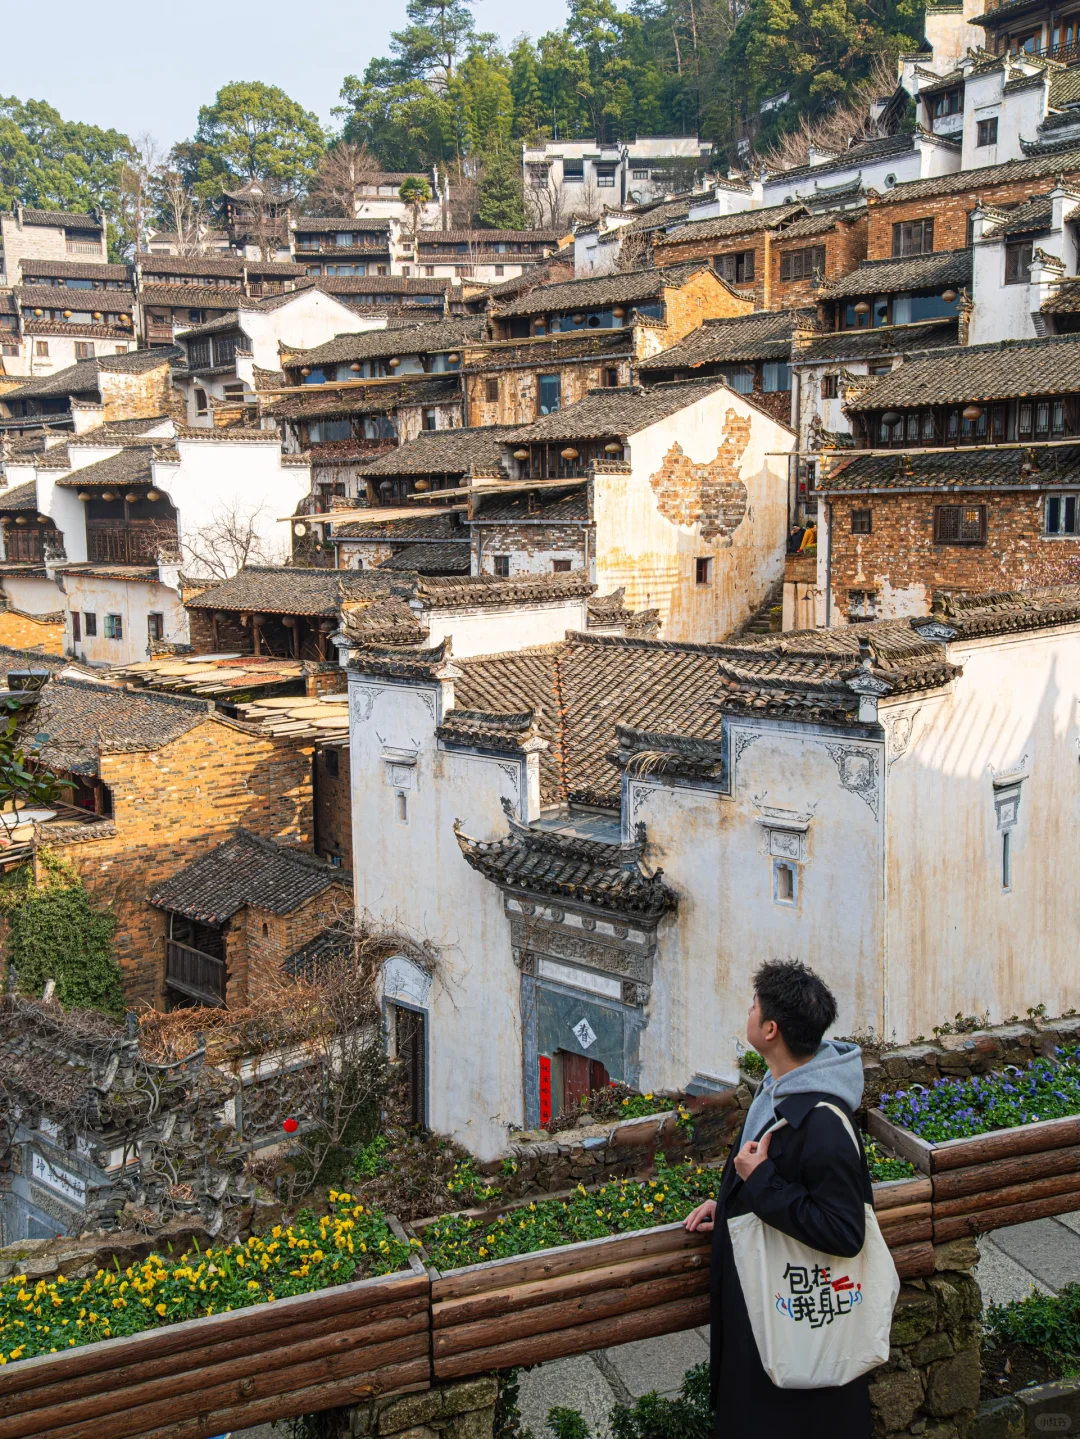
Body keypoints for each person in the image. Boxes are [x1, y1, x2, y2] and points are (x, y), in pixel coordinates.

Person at [684, 960, 872, 1439]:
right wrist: (730, 1201)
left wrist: (760, 1180)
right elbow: (776, 1175)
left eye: (753, 1006)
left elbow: (844, 1230)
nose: (747, 1011)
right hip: (771, 1312)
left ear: (770, 1029)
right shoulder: (780, 1088)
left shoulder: (822, 1119)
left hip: (792, 1324)